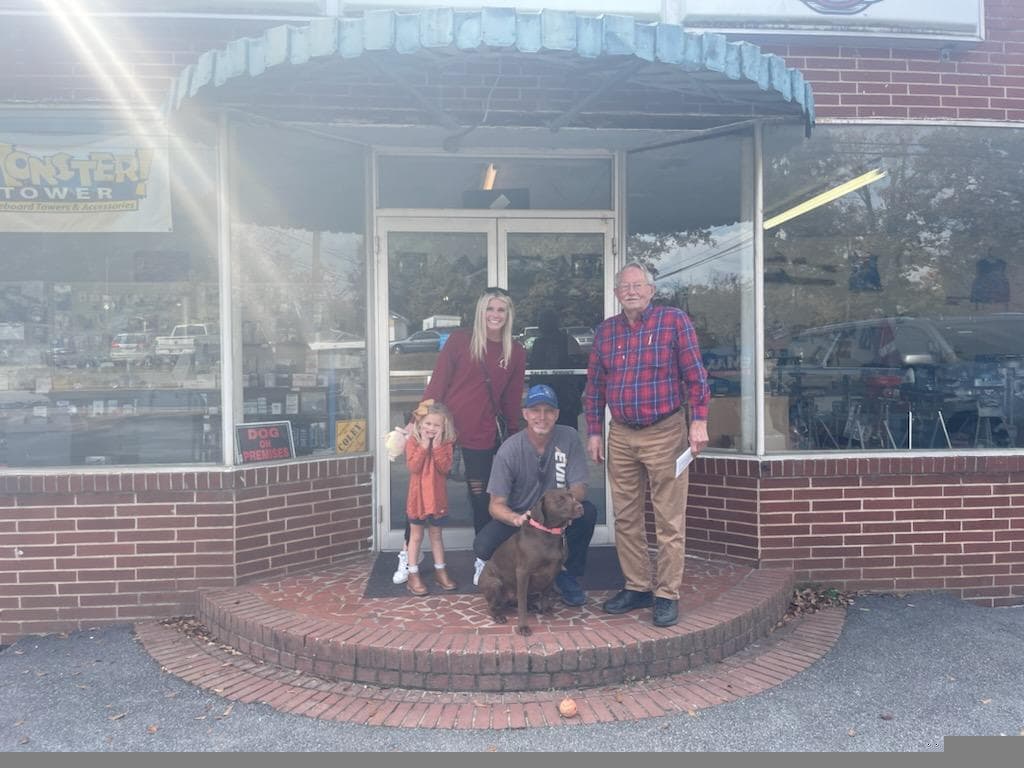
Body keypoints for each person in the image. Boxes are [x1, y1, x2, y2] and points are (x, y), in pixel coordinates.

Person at [583, 262, 710, 628]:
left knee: (669, 519)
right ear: (616, 293)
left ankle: (667, 594)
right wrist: (594, 431)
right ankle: (637, 586)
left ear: (651, 290)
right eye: (625, 286)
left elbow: (696, 377)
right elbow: (594, 388)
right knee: (625, 517)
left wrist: (698, 421)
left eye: (638, 285)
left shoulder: (674, 322)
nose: (632, 291)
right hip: (621, 433)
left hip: (665, 431)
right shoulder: (606, 332)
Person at [392, 288, 527, 587]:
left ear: (508, 315)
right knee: (423, 493)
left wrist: (515, 438)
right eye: (490, 308)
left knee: (481, 500)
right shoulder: (459, 341)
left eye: (501, 310)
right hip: (443, 433)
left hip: (482, 434)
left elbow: (511, 400)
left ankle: (483, 558)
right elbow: (437, 384)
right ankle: (409, 552)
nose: (495, 315)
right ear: (481, 311)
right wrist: (419, 423)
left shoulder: (514, 351)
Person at [472, 384, 597, 607]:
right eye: (535, 410)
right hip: (522, 517)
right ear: (525, 414)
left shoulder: (568, 437)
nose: (542, 417)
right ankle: (502, 574)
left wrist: (562, 507)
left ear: (557, 414)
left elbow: (580, 487)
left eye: (548, 411)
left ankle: (565, 575)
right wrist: (517, 518)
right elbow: (496, 505)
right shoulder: (509, 450)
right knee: (483, 544)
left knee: (587, 513)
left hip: (556, 513)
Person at [402, 400, 458, 596]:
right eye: (428, 424)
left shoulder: (446, 444)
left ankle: (440, 570)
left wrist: (436, 446)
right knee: (415, 537)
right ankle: (413, 573)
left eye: (436, 425)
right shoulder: (413, 442)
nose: (431, 428)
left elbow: (444, 468)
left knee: (436, 535)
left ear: (444, 427)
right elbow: (413, 467)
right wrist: (425, 445)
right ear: (419, 424)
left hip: (437, 498)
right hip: (417, 499)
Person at [528, 308, 582, 429]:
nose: (541, 324)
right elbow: (533, 372)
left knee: (567, 438)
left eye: (545, 321)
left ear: (555, 322)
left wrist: (574, 396)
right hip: (542, 398)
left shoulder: (569, 341)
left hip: (566, 401)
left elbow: (580, 371)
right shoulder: (538, 343)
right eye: (540, 321)